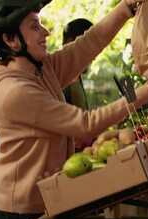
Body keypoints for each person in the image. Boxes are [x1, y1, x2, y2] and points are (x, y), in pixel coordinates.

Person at [0, 0, 148, 219]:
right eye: (35, 26)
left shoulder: (40, 69)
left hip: (43, 205)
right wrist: (145, 92)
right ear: (10, 40)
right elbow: (85, 124)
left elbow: (86, 45)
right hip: (18, 218)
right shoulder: (15, 91)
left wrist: (125, 8)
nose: (45, 32)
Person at [62, 18, 94, 152]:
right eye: (91, 47)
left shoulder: (76, 77)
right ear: (72, 43)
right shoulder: (61, 81)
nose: (94, 56)